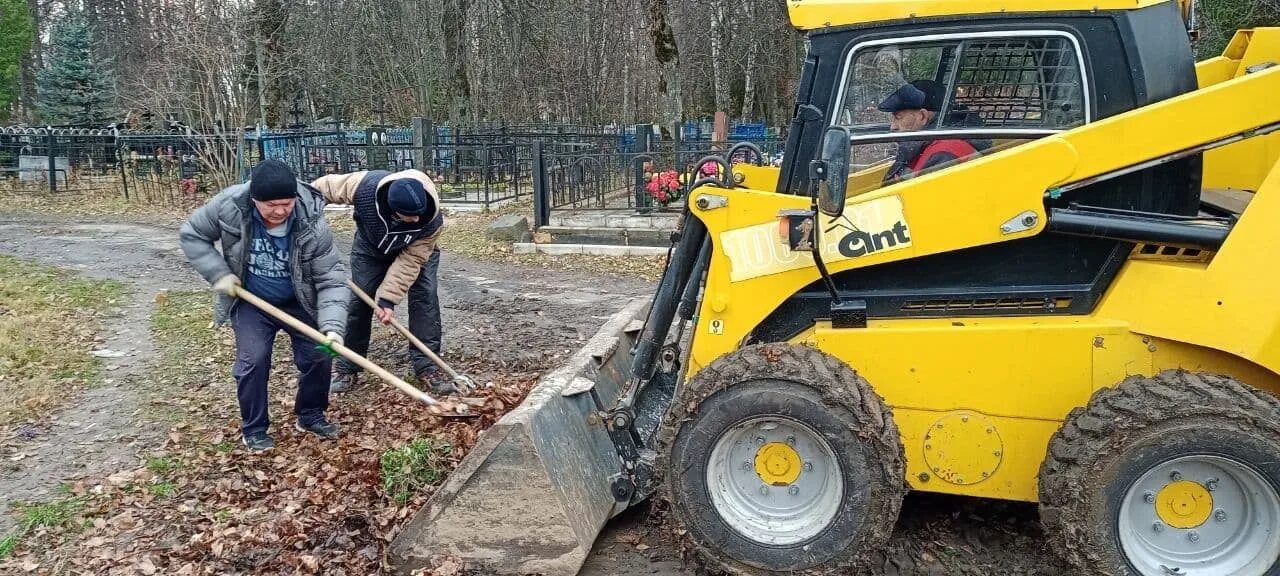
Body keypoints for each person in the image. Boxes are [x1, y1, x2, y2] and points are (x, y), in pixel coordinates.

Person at [179, 159, 349, 452]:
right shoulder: (230, 205)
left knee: (319, 354)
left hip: (299, 300)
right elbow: (193, 234)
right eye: (271, 205)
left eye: (286, 203)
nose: (280, 211)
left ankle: (310, 415)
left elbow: (331, 279)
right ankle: (255, 428)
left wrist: (332, 328)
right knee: (253, 360)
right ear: (255, 199)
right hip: (252, 301)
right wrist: (219, 274)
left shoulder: (310, 219)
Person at [309, 168, 450, 394]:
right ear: (393, 207)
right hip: (370, 247)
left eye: (419, 214)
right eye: (410, 215)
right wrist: (302, 212)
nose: (416, 219)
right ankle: (347, 366)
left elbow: (411, 261)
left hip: (416, 252)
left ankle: (428, 366)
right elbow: (321, 188)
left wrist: (387, 300)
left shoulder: (431, 221)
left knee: (425, 299)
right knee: (358, 299)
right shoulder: (365, 187)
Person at [878, 80, 983, 184]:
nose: (893, 127)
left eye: (898, 118)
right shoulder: (929, 145)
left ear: (923, 116)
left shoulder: (945, 155)